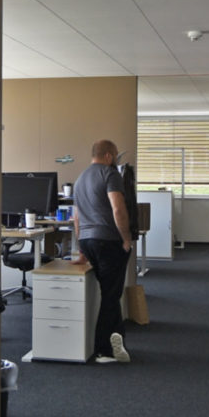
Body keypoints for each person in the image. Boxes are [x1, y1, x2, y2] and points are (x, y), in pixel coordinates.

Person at [71, 138, 133, 364]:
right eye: (115, 155)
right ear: (108, 155)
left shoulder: (80, 179)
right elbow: (118, 209)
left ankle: (118, 341)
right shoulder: (110, 174)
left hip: (88, 241)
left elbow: (76, 217)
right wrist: (126, 239)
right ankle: (104, 350)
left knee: (110, 292)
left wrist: (82, 250)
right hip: (108, 240)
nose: (116, 159)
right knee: (110, 295)